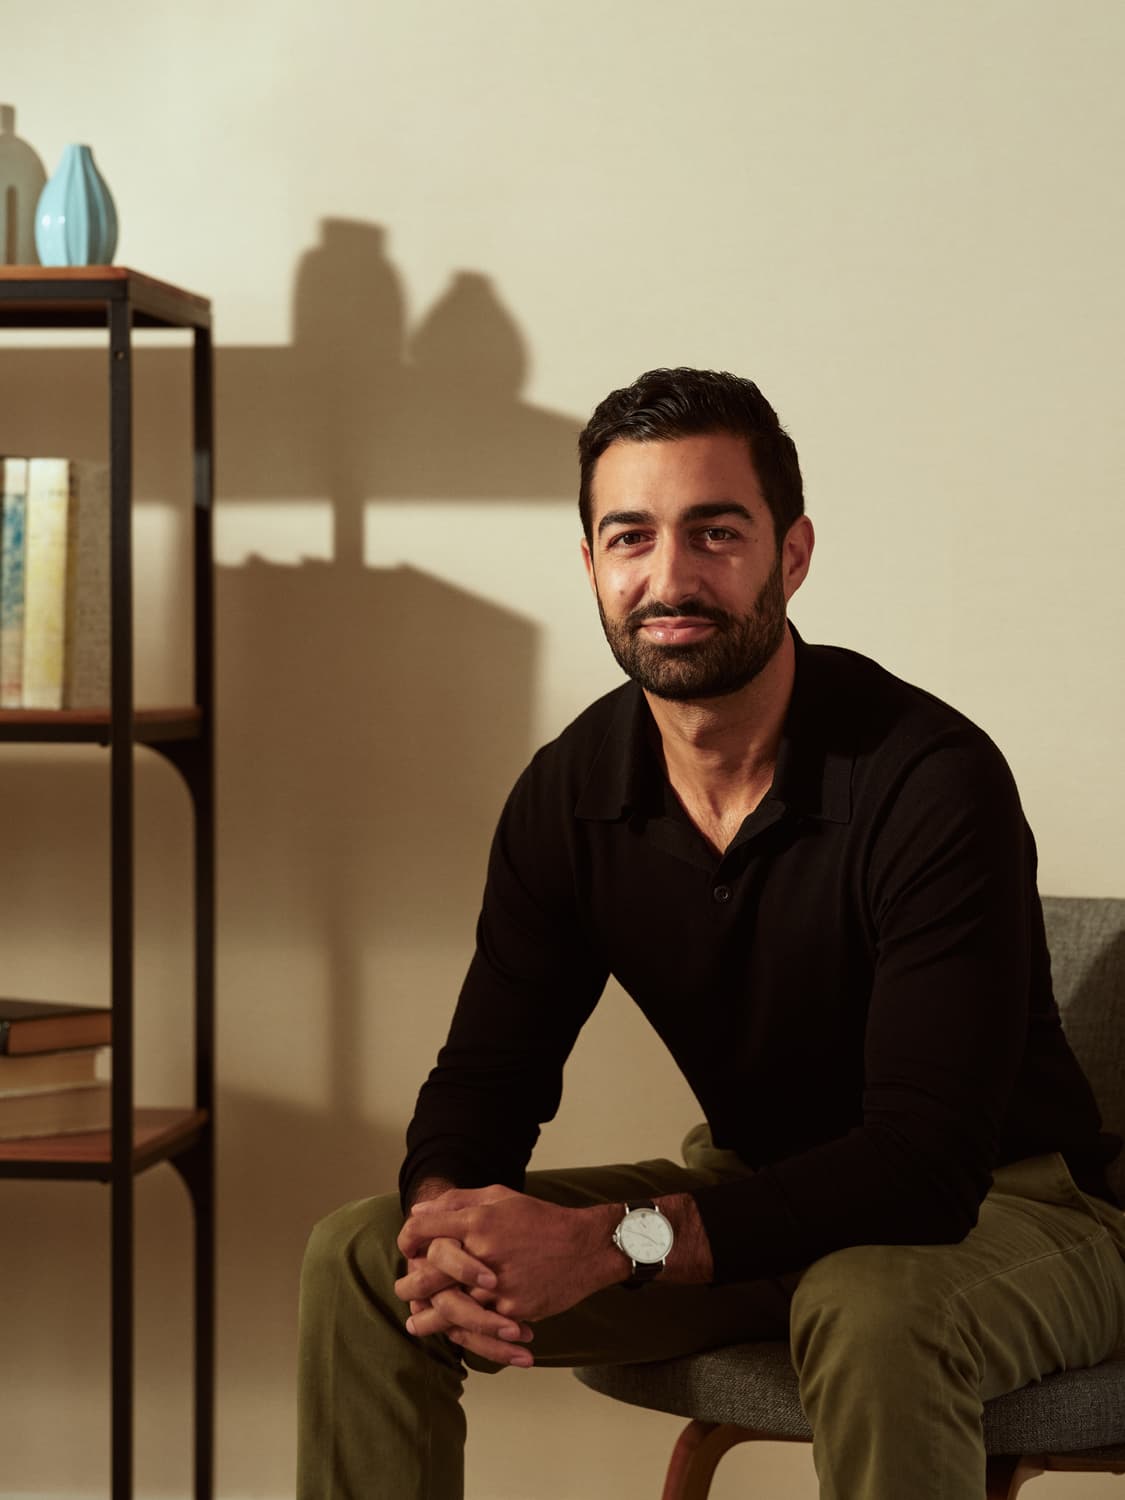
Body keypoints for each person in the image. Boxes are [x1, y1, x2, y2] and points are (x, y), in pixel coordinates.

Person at [298, 367, 1125, 1500]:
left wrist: (605, 1243)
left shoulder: (931, 778)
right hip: (754, 1197)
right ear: (590, 564)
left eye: (715, 532)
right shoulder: (569, 792)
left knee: (868, 1300)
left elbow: (923, 1169)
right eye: (630, 536)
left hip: (1011, 1210)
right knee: (360, 1254)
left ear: (790, 555)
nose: (670, 577)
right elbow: (488, 1075)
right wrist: (450, 1220)